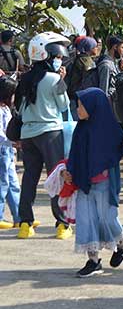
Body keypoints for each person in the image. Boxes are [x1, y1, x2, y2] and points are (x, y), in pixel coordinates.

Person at [63, 88, 123, 278]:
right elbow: (74, 155)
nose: (77, 109)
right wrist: (70, 172)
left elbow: (119, 150)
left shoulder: (109, 128)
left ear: (94, 106)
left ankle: (122, 243)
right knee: (86, 220)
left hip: (104, 184)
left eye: (81, 105)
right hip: (84, 182)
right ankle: (93, 260)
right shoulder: (80, 128)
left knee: (107, 218)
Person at [15, 32, 72, 240]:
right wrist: (62, 81)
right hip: (50, 133)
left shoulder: (25, 78)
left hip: (28, 134)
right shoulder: (54, 79)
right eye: (56, 55)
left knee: (29, 178)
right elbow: (64, 105)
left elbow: (19, 108)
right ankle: (62, 224)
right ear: (45, 54)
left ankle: (25, 224)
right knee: (55, 178)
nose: (58, 59)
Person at [0, 76, 21, 228]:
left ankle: (19, 216)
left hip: (8, 150)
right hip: (2, 149)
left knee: (13, 183)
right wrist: (12, 141)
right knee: (2, 184)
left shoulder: (6, 109)